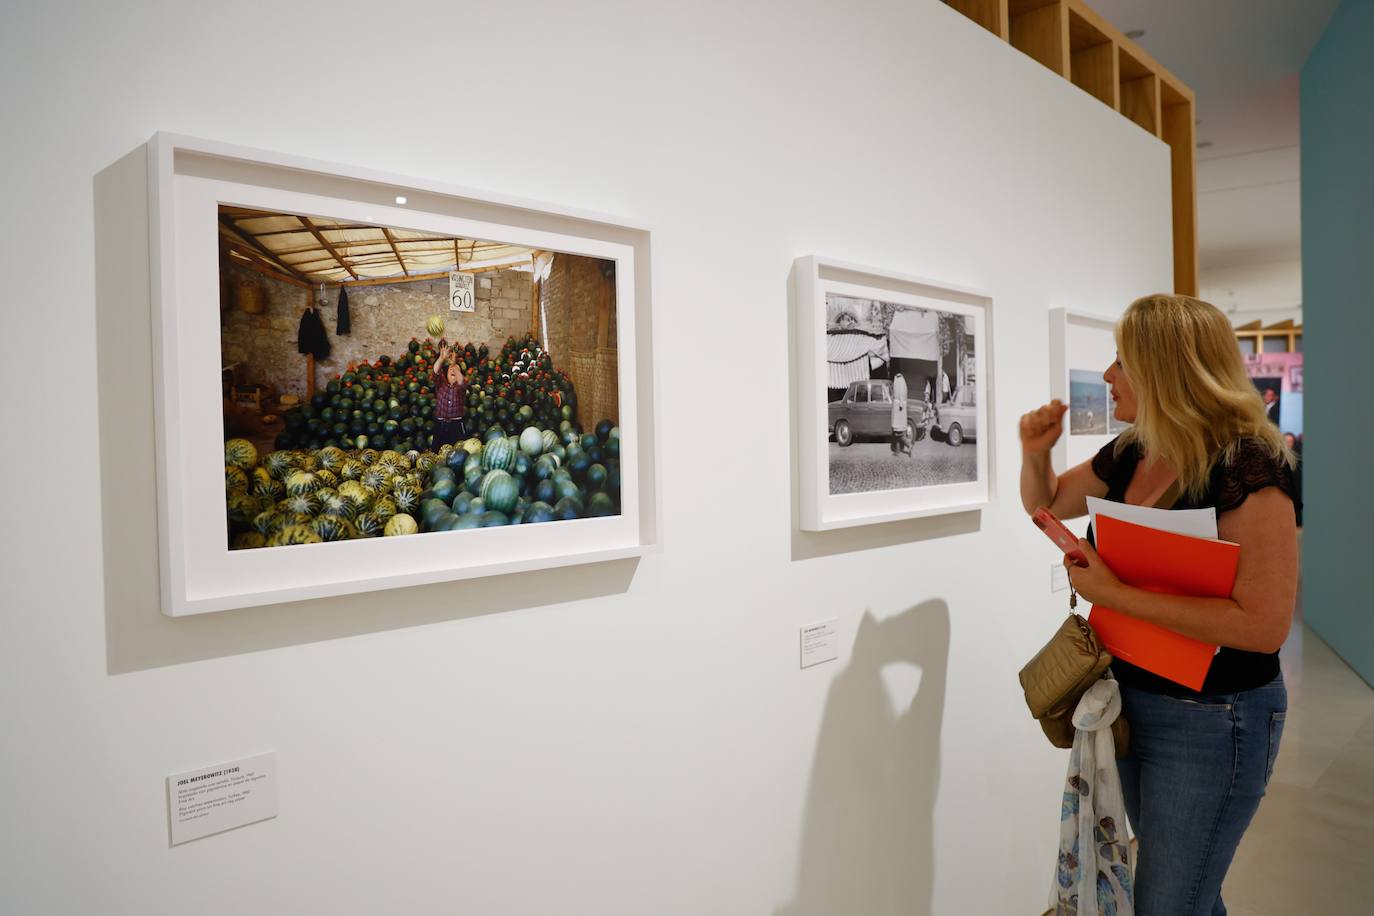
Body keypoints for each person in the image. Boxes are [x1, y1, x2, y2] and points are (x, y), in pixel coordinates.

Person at [1018, 294, 1299, 916]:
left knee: (1170, 900)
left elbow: (1264, 625)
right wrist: (1035, 452)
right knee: (1181, 894)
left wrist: (1116, 595)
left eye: (1123, 361)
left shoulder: (1248, 468)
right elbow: (1048, 503)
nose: (1108, 374)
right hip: (1132, 700)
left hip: (1215, 717)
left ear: (1166, 370)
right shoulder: (1133, 450)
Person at [431, 343, 468, 449]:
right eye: (450, 369)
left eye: (456, 370)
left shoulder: (460, 388)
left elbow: (462, 381)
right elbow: (435, 372)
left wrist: (453, 364)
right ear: (446, 374)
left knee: (456, 451)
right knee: (436, 451)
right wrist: (441, 359)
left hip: (456, 425)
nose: (453, 370)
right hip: (440, 424)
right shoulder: (441, 383)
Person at [890, 372, 909, 456]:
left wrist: (900, 404)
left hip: (899, 409)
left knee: (898, 432)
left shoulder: (899, 381)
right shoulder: (900, 380)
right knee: (896, 432)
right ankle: (897, 451)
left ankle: (909, 444)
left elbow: (901, 393)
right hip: (898, 408)